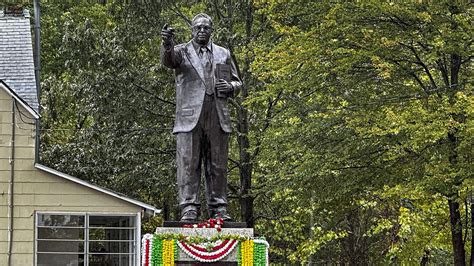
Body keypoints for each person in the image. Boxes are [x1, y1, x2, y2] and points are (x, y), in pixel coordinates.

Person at [161, 13, 242, 222]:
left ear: (211, 30)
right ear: (192, 30)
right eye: (198, 28)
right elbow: (168, 61)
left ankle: (219, 208)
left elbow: (237, 82)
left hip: (217, 114)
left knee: (218, 165)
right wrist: (167, 43)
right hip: (189, 117)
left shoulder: (224, 53)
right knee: (189, 164)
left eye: (206, 28)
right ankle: (189, 207)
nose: (202, 31)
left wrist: (231, 87)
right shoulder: (181, 52)